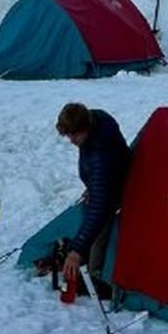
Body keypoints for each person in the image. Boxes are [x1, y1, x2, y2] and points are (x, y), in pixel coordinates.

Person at [55, 101, 130, 295]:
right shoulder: (97, 118)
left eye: (73, 135)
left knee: (100, 229)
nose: (71, 140)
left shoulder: (99, 158)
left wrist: (77, 251)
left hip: (117, 187)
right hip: (116, 174)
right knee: (93, 216)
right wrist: (93, 186)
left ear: (84, 129)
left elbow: (98, 209)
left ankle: (97, 277)